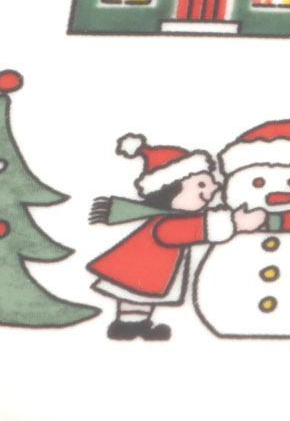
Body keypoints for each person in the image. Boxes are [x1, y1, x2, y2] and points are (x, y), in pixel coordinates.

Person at [83, 136, 266, 339]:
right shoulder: (166, 223)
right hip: (140, 269)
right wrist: (233, 223)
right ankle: (128, 326)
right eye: (201, 184)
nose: (214, 188)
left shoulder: (167, 217)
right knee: (136, 299)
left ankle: (134, 325)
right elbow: (188, 231)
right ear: (172, 189)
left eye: (211, 183)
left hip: (145, 270)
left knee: (137, 301)